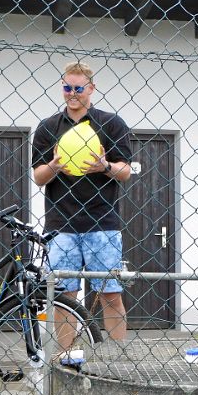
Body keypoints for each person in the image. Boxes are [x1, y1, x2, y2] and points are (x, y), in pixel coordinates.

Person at [32, 61, 133, 343]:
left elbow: (125, 171)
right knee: (64, 297)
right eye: (67, 87)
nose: (72, 94)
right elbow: (39, 177)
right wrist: (54, 166)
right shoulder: (48, 127)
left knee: (110, 294)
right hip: (61, 225)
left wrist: (104, 167)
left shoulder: (111, 124)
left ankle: (117, 359)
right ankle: (66, 358)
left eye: (78, 88)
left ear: (91, 88)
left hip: (102, 223)